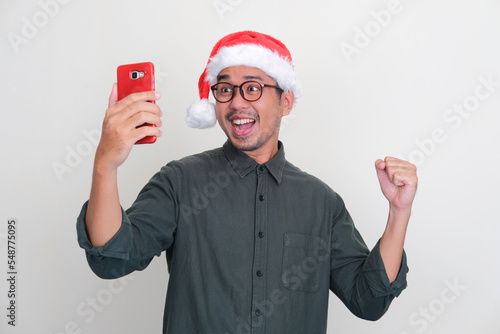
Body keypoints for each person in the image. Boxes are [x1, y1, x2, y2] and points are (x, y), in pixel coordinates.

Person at [77, 31, 417, 334]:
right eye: (225, 89)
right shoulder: (180, 182)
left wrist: (399, 212)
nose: (237, 102)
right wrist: (105, 164)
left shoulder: (321, 202)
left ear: (286, 102)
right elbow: (112, 257)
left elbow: (368, 300)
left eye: (253, 88)